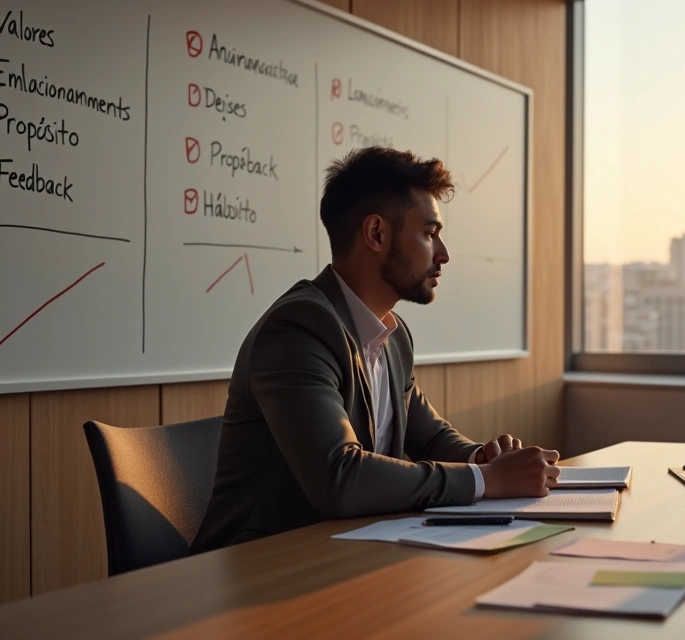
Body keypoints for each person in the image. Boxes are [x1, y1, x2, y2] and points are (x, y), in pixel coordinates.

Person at [190, 147, 559, 553]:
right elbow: (340, 478)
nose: (443, 254)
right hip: (256, 568)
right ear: (377, 234)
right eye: (429, 233)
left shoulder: (392, 334)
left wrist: (484, 457)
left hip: (340, 555)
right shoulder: (297, 330)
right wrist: (490, 481)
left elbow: (431, 436)